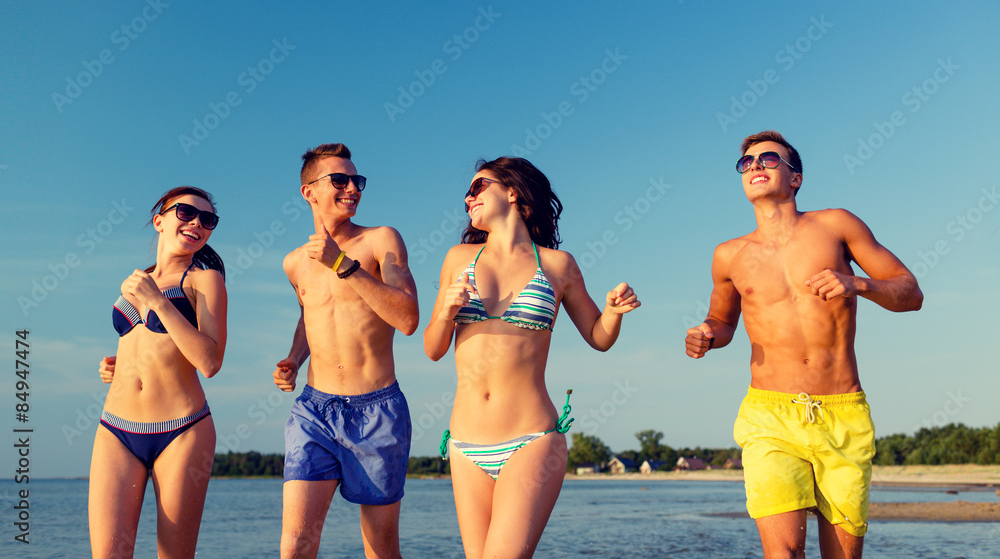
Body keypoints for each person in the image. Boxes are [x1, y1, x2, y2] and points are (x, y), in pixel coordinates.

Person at [685, 131, 923, 559]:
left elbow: (910, 293)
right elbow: (722, 321)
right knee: (786, 553)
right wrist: (705, 335)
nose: (755, 166)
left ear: (796, 178)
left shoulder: (837, 225)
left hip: (842, 413)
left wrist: (857, 283)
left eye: (768, 159)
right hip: (769, 415)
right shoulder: (728, 255)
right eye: (747, 163)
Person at [424, 156, 640, 558]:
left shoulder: (558, 265)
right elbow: (433, 348)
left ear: (512, 192)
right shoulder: (458, 259)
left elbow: (598, 337)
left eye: (477, 187)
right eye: (466, 194)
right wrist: (444, 313)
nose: (468, 199)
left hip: (531, 439)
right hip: (465, 443)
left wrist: (613, 311)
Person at [272, 143, 418, 559]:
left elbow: (407, 318)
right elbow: (309, 316)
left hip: (377, 410)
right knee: (296, 542)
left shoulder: (380, 240)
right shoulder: (294, 262)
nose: (353, 188)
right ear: (309, 192)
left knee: (380, 546)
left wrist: (344, 265)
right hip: (314, 410)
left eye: (358, 181)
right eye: (340, 180)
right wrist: (293, 360)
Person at [90, 186, 228, 558]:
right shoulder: (137, 279)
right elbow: (148, 344)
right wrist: (117, 367)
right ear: (160, 221)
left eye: (208, 220)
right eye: (186, 213)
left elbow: (210, 361)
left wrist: (156, 303)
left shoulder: (205, 280)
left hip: (182, 429)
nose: (197, 223)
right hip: (116, 428)